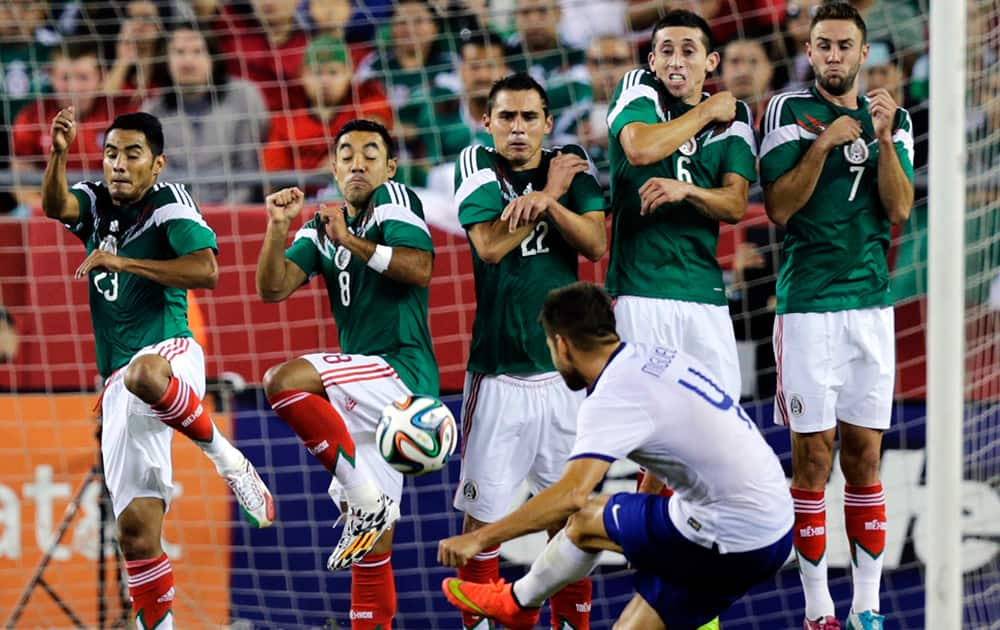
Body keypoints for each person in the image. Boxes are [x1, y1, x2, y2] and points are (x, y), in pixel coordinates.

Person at [438, 281, 794, 630]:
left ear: (562, 345)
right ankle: (518, 603)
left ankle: (516, 603)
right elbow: (674, 441)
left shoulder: (613, 396)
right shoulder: (658, 356)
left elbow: (570, 496)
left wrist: (479, 539)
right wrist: (643, 519)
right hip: (773, 527)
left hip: (725, 534)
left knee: (586, 518)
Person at [39, 110, 275, 629]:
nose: (119, 165)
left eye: (132, 154)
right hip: (118, 382)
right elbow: (55, 204)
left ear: (157, 162)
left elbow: (207, 269)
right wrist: (58, 152)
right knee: (137, 536)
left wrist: (123, 262)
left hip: (170, 356)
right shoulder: (96, 201)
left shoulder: (170, 203)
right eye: (111, 154)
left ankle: (230, 461)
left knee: (143, 374)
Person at [758, 3, 914, 629]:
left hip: (871, 310)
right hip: (808, 310)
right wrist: (824, 141)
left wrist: (879, 138)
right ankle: (818, 610)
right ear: (810, 50)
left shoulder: (893, 118)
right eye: (822, 44)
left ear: (863, 51)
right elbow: (779, 208)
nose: (832, 55)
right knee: (812, 462)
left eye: (844, 45)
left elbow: (899, 209)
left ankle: (867, 609)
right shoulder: (785, 112)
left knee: (865, 458)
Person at [256, 119, 437, 628]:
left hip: (400, 369)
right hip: (361, 388)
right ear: (333, 167)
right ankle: (365, 504)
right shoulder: (320, 226)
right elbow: (272, 289)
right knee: (372, 544)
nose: (358, 163)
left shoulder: (394, 200)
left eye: (371, 154)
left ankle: (360, 495)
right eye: (347, 155)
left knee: (282, 381)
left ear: (390, 166)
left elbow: (419, 269)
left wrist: (351, 241)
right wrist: (277, 227)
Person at [452, 73, 607, 630]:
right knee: (482, 522)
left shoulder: (569, 158)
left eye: (528, 118)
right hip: (497, 375)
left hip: (564, 379)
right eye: (506, 118)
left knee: (570, 517)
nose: (517, 129)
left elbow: (596, 244)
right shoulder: (476, 164)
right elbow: (490, 245)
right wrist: (552, 197)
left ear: (547, 122)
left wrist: (547, 202)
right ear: (487, 122)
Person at [606, 9, 757, 398]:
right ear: (652, 60)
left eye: (688, 51)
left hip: (704, 293)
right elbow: (639, 148)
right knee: (651, 431)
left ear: (711, 62)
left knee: (720, 422)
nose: (676, 60)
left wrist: (687, 190)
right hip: (641, 289)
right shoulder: (637, 86)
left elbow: (735, 204)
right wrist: (706, 110)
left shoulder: (736, 115)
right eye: (666, 50)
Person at [143, 24, 269, 204]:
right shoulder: (150, 113)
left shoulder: (244, 97)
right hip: (177, 215)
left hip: (237, 209)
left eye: (197, 51)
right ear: (165, 60)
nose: (188, 61)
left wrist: (225, 214)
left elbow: (248, 169)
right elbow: (160, 178)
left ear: (213, 58)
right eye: (179, 52)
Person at [262, 36, 393, 176]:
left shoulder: (366, 97)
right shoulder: (285, 116)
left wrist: (341, 158)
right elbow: (274, 175)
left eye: (333, 72)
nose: (325, 82)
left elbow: (375, 133)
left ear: (349, 72)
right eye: (317, 73)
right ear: (302, 75)